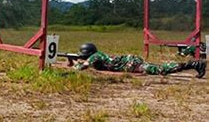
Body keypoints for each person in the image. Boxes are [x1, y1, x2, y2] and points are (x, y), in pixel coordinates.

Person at [71, 43, 206, 78]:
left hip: (131, 64)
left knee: (159, 70)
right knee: (158, 68)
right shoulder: (97, 56)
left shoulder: (95, 56)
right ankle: (193, 64)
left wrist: (76, 65)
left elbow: (82, 68)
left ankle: (193, 64)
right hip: (130, 61)